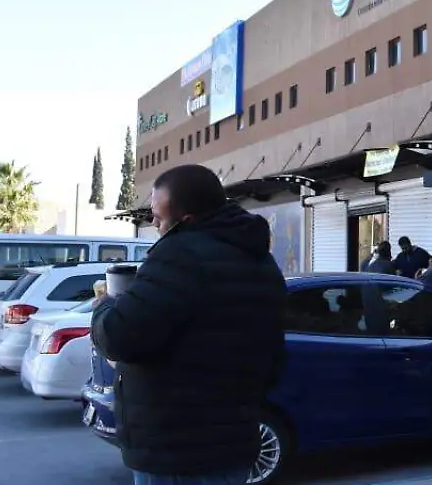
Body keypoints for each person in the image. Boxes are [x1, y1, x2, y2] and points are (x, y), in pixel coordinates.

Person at [91, 164, 287, 485]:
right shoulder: (259, 261)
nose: (154, 225)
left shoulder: (178, 255)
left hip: (176, 450)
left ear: (188, 219)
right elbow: (273, 358)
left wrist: (106, 304)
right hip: (233, 442)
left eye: (159, 218)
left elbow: (118, 336)